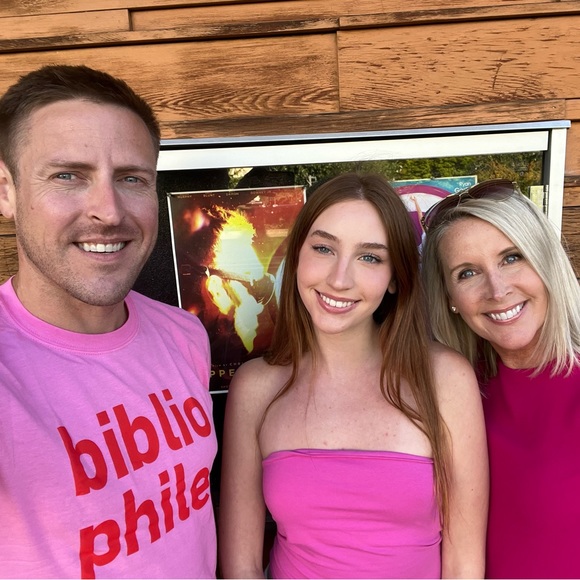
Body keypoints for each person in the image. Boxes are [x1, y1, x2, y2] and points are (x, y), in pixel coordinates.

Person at [0, 65, 217, 578]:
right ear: (6, 191)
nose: (109, 211)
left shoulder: (185, 335)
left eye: (131, 178)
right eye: (68, 175)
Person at [219, 172, 488, 578]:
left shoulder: (444, 379)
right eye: (323, 248)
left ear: (396, 277)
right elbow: (241, 567)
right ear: (297, 256)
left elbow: (464, 564)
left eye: (370, 257)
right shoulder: (256, 386)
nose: (339, 279)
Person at [421, 179, 580, 578]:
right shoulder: (450, 393)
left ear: (545, 261)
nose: (497, 289)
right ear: (449, 299)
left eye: (511, 258)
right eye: (467, 272)